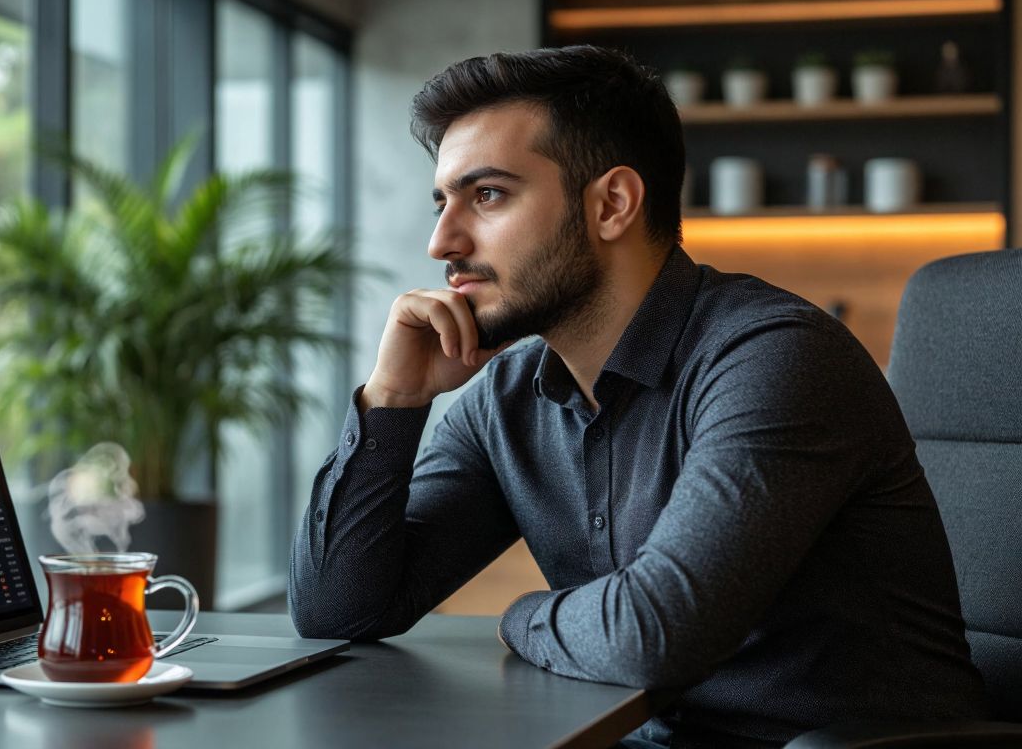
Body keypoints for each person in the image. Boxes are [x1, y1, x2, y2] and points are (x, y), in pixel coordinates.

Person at [287, 46, 986, 748]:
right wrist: (393, 399)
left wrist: (521, 615)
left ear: (612, 204)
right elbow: (338, 611)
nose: (442, 241)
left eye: (488, 195)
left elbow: (654, 636)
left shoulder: (776, 358)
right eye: (443, 202)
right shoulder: (509, 394)